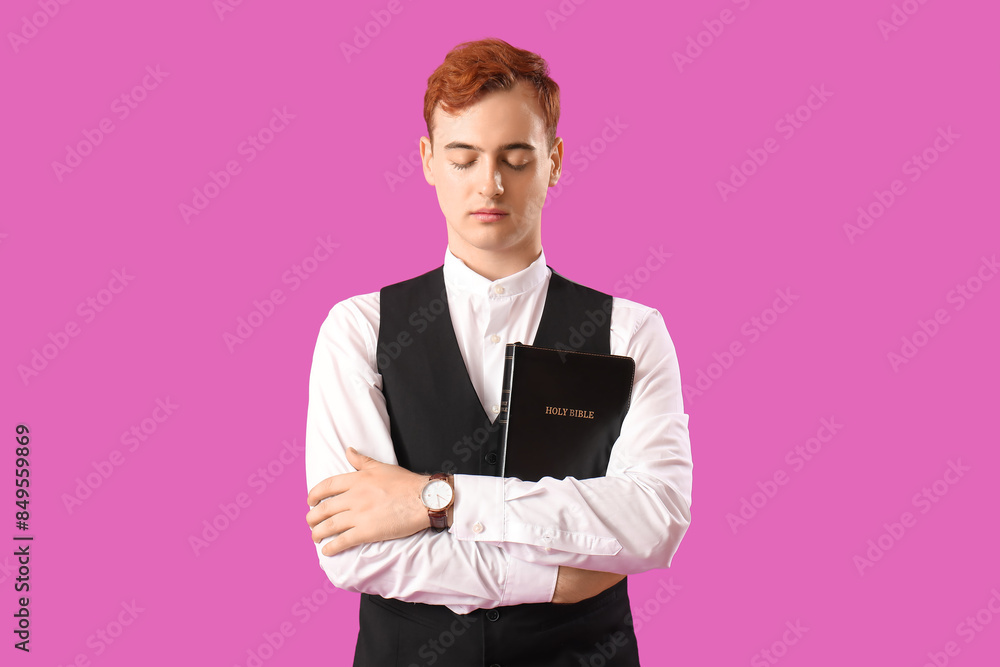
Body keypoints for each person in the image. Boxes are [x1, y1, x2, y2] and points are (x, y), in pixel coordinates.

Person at [304, 37, 692, 667]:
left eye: (516, 157)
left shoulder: (632, 332)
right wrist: (559, 576)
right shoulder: (357, 329)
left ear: (555, 160)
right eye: (463, 159)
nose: (490, 184)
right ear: (428, 161)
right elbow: (353, 549)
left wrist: (440, 499)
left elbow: (654, 521)